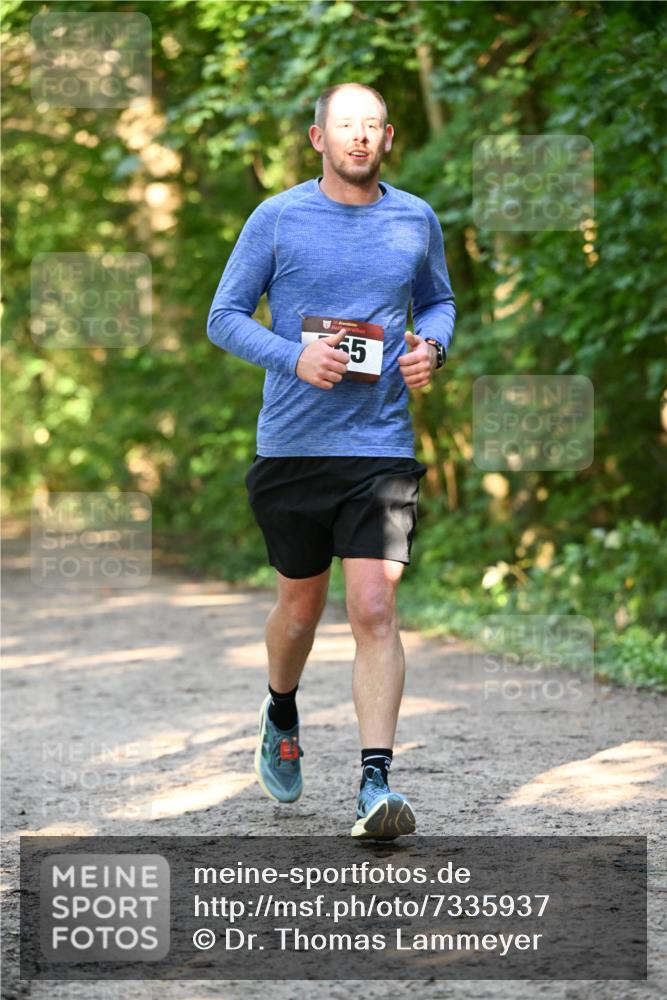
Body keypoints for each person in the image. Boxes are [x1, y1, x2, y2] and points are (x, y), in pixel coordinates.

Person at [206, 82, 456, 839]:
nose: (358, 137)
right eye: (344, 125)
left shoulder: (414, 217)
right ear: (317, 138)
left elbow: (437, 301)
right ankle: (280, 710)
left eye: (372, 126)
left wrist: (431, 348)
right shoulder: (276, 217)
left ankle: (374, 784)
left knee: (374, 606)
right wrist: (292, 357)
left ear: (387, 140)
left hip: (379, 445)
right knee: (299, 610)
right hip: (292, 448)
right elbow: (222, 318)